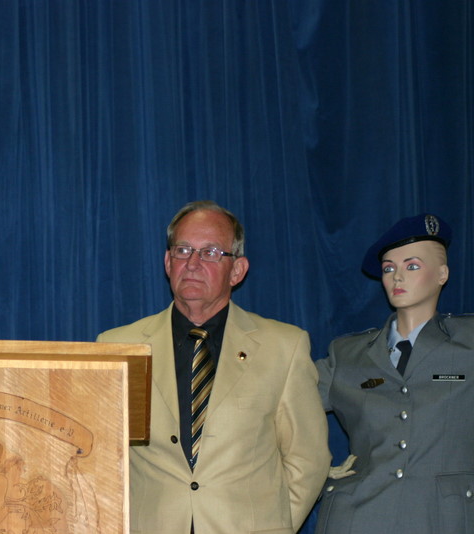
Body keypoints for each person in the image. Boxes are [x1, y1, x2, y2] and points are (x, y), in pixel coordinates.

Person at [97, 200, 330, 534]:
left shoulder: (284, 347)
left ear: (237, 270)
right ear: (168, 262)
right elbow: (101, 459)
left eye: (210, 253)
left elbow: (308, 459)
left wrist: (272, 525)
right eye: (183, 250)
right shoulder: (118, 347)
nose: (192, 264)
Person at [315, 213, 474, 533]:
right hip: (357, 518)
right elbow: (277, 405)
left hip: (442, 518)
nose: (397, 277)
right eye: (389, 269)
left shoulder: (468, 342)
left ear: (442, 274)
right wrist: (309, 469)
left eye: (412, 266)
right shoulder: (347, 355)